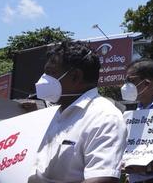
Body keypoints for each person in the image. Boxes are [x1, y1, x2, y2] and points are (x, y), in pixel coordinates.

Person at [29, 41, 127, 183]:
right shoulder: (51, 114)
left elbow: (103, 179)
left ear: (75, 76)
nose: (43, 80)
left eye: (51, 73)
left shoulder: (104, 117)